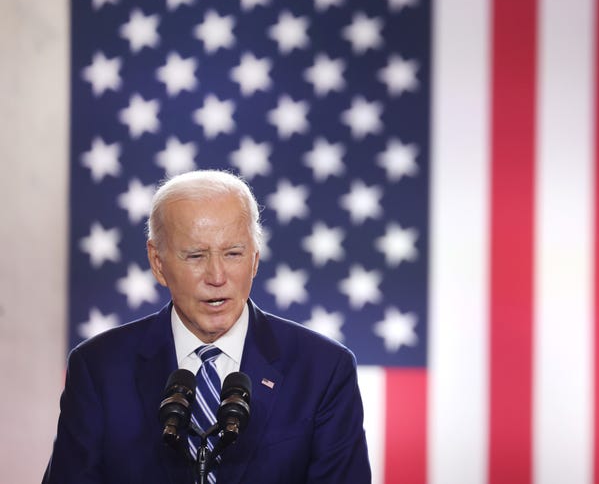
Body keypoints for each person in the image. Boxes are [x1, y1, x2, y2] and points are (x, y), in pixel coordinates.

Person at [43, 169, 371, 483]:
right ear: (157, 262)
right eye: (196, 256)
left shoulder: (323, 370)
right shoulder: (98, 368)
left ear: (255, 259)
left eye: (233, 254)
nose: (216, 277)